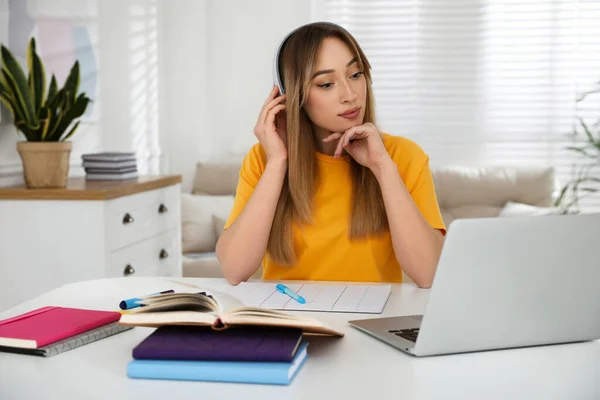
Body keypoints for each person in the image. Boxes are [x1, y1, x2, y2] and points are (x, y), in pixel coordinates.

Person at [216, 22, 446, 288]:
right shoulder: (264, 158)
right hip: (290, 318)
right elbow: (234, 269)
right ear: (292, 97)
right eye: (326, 84)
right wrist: (278, 162)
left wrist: (383, 168)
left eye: (355, 74)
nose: (350, 95)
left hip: (367, 322)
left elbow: (428, 273)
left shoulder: (402, 156)